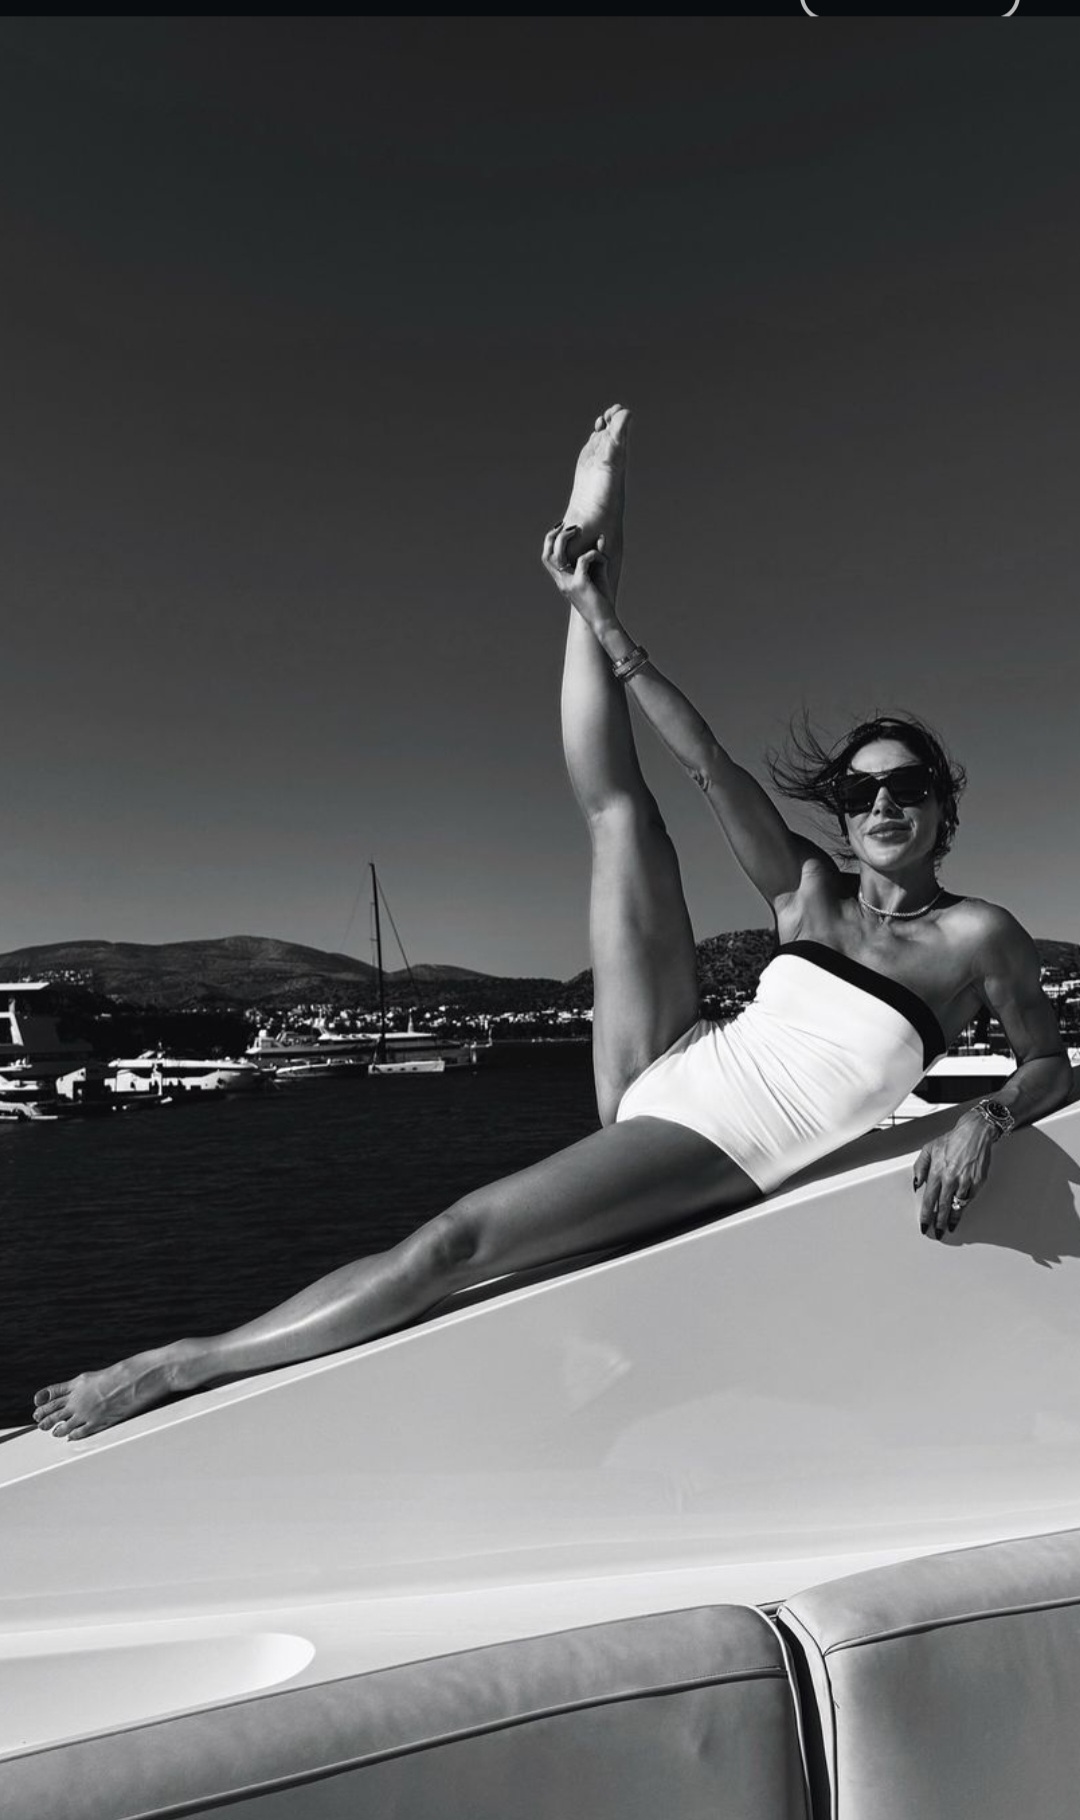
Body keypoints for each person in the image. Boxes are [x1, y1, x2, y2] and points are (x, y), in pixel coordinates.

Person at [33, 405, 1072, 1442]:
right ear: (840, 813)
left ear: (943, 809)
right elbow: (705, 761)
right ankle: (586, 561)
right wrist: (604, 617)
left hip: (719, 1140)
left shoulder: (979, 936)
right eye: (861, 790)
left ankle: (180, 1361)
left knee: (456, 1242)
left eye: (908, 787)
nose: (884, 805)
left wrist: (984, 1118)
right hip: (673, 1057)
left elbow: (1048, 1065)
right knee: (622, 814)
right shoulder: (810, 891)